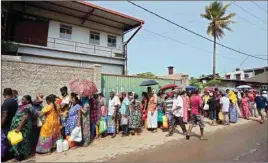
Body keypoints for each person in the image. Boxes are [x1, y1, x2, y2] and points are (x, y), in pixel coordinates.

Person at [9, 95, 34, 161]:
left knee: (23, 141)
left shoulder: (28, 107)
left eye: (23, 99)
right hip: (18, 127)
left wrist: (19, 127)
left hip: (23, 128)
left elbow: (25, 118)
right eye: (21, 99)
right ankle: (20, 155)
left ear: (28, 101)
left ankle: (21, 156)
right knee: (19, 141)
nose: (21, 100)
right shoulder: (22, 106)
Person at [1, 88, 18, 161]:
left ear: (4, 95)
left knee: (3, 140)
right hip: (13, 124)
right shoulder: (15, 102)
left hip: (7, 125)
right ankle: (10, 154)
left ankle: (1, 156)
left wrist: (0, 125)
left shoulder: (6, 103)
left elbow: (4, 116)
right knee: (10, 140)